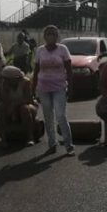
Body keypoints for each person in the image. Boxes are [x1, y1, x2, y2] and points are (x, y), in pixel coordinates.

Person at [32, 25, 75, 156]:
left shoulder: (63, 49)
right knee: (48, 117)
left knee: (61, 115)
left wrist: (71, 87)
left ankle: (68, 145)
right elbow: (36, 70)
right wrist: (32, 89)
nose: (51, 36)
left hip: (59, 87)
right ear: (44, 37)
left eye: (54, 34)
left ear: (57, 36)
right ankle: (52, 144)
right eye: (48, 34)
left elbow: (69, 69)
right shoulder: (40, 51)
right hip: (43, 88)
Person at [0, 65, 37, 146]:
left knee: (24, 109)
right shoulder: (5, 84)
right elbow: (4, 100)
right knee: (1, 108)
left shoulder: (26, 82)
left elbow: (28, 99)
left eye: (7, 78)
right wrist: (11, 109)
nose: (5, 80)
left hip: (27, 105)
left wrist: (15, 106)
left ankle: (30, 137)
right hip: (12, 106)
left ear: (14, 78)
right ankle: (3, 139)